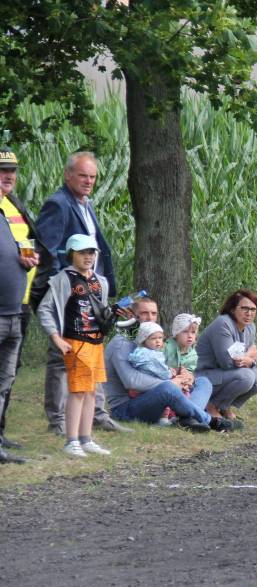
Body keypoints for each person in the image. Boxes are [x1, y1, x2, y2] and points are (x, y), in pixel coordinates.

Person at [32, 151, 128, 433]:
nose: (88, 181)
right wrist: (62, 289)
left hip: (92, 289)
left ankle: (97, 414)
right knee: (62, 356)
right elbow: (47, 250)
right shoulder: (58, 204)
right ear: (68, 175)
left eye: (93, 177)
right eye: (83, 175)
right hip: (70, 293)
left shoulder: (86, 204)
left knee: (93, 351)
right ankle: (59, 420)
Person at [36, 234, 120, 457]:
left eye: (91, 252)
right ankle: (71, 440)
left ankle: (86, 438)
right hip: (76, 342)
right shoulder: (63, 279)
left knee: (91, 391)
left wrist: (113, 315)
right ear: (71, 254)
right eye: (82, 252)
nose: (88, 257)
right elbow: (45, 309)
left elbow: (101, 310)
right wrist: (56, 337)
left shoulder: (100, 281)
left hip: (96, 342)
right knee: (78, 392)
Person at [103, 303, 234, 433]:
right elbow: (132, 381)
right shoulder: (122, 343)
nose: (150, 317)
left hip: (155, 397)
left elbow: (160, 369)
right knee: (168, 388)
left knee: (203, 382)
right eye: (144, 313)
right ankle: (209, 420)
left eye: (154, 313)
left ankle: (188, 418)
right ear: (130, 315)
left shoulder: (152, 340)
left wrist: (185, 377)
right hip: (126, 408)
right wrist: (172, 382)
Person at [0, 147, 37, 464]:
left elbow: (20, 246)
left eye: (12, 170)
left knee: (6, 378)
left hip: (17, 306)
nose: (8, 175)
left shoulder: (12, 206)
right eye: (2, 170)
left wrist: (28, 259)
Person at [195, 289, 257, 429]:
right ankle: (211, 406)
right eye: (244, 308)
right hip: (204, 376)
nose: (249, 313)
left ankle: (224, 406)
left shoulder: (250, 327)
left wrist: (250, 360)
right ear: (232, 309)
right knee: (246, 376)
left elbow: (250, 357)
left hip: (225, 374)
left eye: (253, 309)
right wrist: (249, 357)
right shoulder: (223, 324)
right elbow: (228, 363)